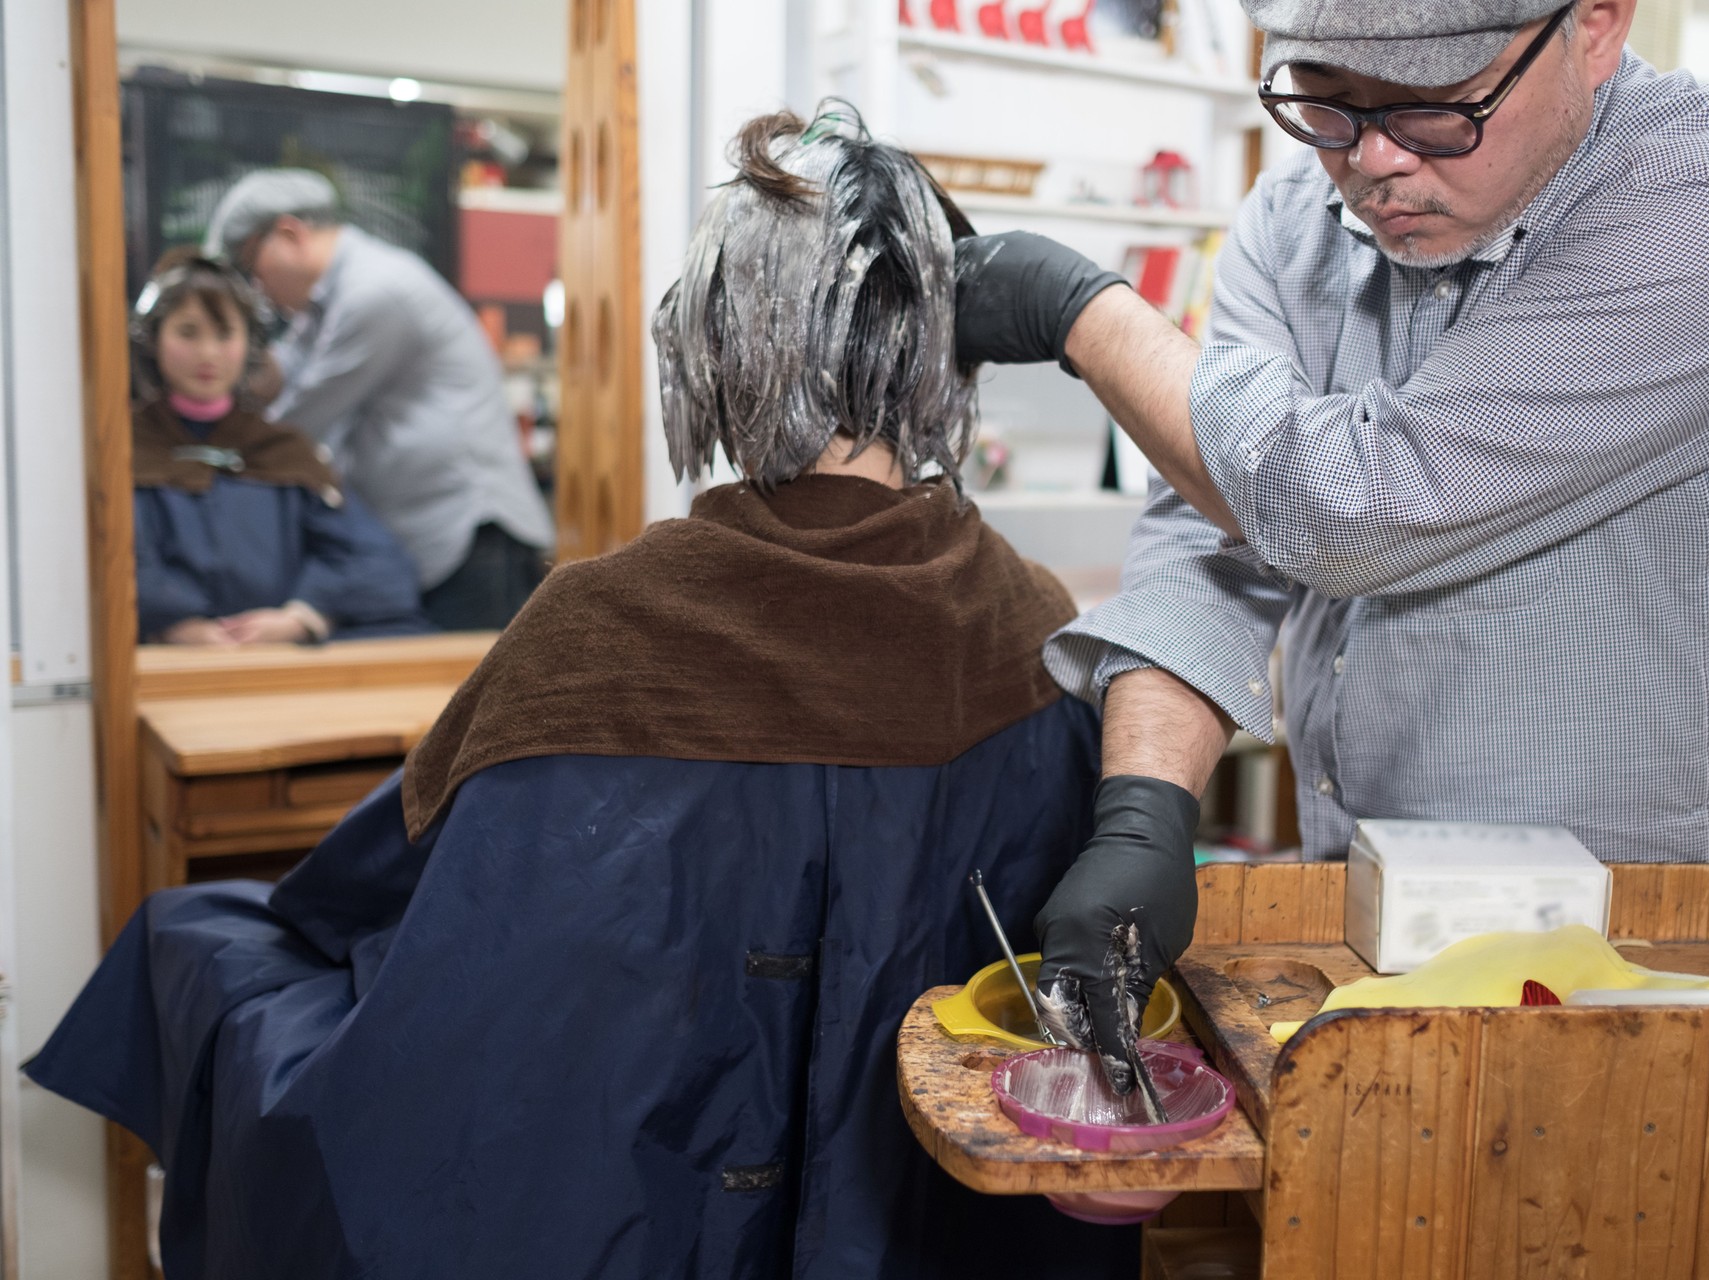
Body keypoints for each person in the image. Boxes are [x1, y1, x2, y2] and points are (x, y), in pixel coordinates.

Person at [28, 105, 1138, 1280]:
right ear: (943, 343)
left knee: (194, 936)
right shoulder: (1037, 629)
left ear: (714, 334)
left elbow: (365, 912)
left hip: (623, 1223)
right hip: (916, 1226)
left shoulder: (600, 628)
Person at [952, 0, 1709, 1089]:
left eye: (1432, 110)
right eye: (1325, 103)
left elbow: (1348, 508)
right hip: (1361, 920)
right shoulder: (1294, 217)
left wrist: (1087, 315)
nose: (1371, 164)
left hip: (1637, 962)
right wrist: (1147, 809)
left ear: (1597, 25)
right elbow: (1217, 524)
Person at [202, 169, 555, 630]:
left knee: (480, 698)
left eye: (253, 270)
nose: (258, 288)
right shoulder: (327, 301)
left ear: (289, 234)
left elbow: (301, 417)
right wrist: (230, 346)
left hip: (471, 536)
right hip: (431, 538)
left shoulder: (374, 291)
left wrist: (206, 455)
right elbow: (281, 371)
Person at [130, 251, 432, 644]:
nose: (208, 354)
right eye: (188, 332)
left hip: (276, 657)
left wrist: (300, 617)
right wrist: (177, 626)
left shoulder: (284, 450)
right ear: (153, 339)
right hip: (161, 662)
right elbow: (116, 564)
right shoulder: (124, 448)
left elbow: (377, 562)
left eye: (224, 335)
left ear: (249, 344)